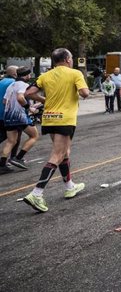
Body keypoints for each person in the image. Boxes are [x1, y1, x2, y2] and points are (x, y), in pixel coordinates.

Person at [22, 48, 89, 213]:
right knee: (58, 154)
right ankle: (36, 193)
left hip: (49, 117)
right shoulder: (75, 73)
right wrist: (81, 91)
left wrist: (43, 99)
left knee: (64, 152)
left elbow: (28, 93)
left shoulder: (45, 75)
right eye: (71, 58)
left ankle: (69, 186)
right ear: (67, 59)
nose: (72, 60)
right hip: (65, 119)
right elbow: (85, 93)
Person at [0, 67, 36, 172]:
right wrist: (28, 107)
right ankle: (18, 158)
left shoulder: (11, 85)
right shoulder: (24, 85)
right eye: (29, 74)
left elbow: (4, 101)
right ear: (26, 75)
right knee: (34, 136)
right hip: (19, 116)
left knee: (11, 141)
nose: (30, 76)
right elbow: (21, 98)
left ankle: (2, 165)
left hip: (8, 116)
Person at [0, 65, 18, 172]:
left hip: (0, 114)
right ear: (15, 73)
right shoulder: (13, 83)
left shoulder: (1, 81)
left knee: (3, 135)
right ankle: (8, 161)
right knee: (12, 139)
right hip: (8, 114)